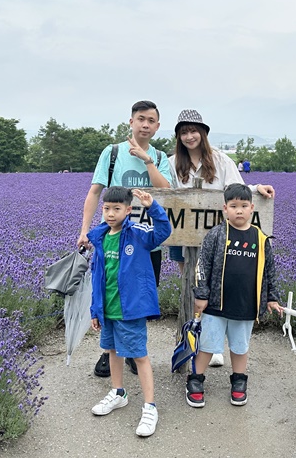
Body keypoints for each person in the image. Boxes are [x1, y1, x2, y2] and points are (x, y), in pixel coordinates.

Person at [168, 109, 275, 368]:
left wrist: (256, 189)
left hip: (218, 237)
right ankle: (192, 341)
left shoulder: (220, 160)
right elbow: (166, 191)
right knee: (190, 285)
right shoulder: (173, 162)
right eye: (184, 132)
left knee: (215, 285)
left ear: (203, 133)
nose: (189, 136)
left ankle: (212, 346)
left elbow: (235, 187)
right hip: (185, 235)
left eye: (194, 131)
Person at [78, 100, 172, 378]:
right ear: (130, 122)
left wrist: (147, 159)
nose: (145, 124)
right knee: (109, 293)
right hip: (113, 238)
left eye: (151, 120)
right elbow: (95, 192)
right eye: (140, 119)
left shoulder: (160, 156)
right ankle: (109, 353)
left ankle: (133, 351)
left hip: (145, 242)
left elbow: (164, 189)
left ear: (157, 126)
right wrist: (84, 229)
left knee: (139, 298)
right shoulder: (112, 152)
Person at [186, 183, 283, 408]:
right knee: (208, 345)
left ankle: (239, 381)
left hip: (245, 305)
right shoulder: (217, 235)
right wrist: (201, 294)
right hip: (216, 305)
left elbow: (269, 270)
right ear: (225, 209)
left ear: (251, 208)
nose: (238, 210)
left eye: (243, 206)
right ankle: (195, 379)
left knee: (240, 347)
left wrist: (272, 297)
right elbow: (202, 265)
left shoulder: (260, 238)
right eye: (233, 206)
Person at [88, 187, 171, 437]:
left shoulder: (137, 232)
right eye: (106, 209)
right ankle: (118, 392)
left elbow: (163, 232)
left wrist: (152, 206)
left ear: (127, 210)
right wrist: (95, 309)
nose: (110, 214)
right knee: (112, 350)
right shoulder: (100, 236)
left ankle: (150, 406)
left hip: (130, 310)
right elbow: (97, 277)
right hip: (108, 309)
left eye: (116, 209)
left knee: (139, 355)